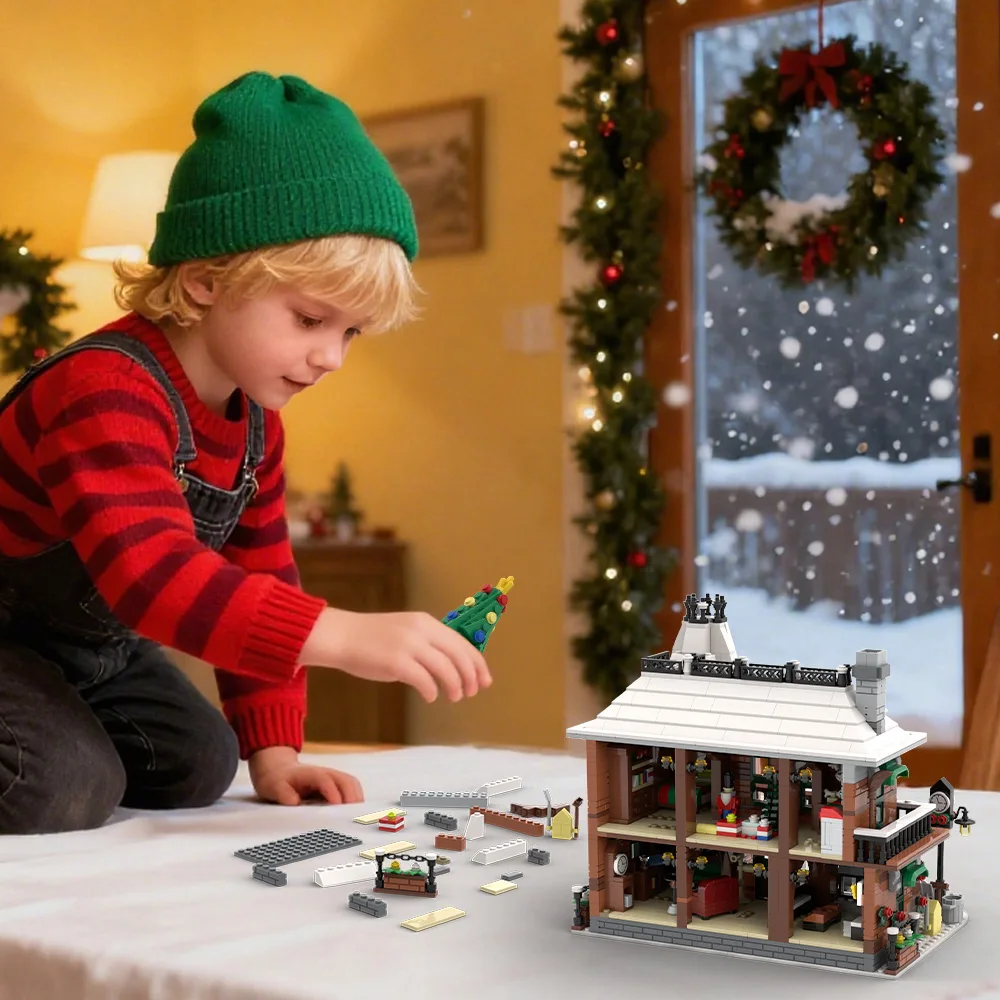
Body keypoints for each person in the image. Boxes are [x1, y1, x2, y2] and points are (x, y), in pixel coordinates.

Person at [0, 71, 492, 836]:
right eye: (309, 319)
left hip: (90, 651)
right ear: (205, 281)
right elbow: (154, 577)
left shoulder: (257, 423)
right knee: (63, 784)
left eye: (351, 332)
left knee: (203, 763)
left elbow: (262, 573)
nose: (331, 356)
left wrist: (276, 753)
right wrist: (344, 634)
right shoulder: (103, 388)